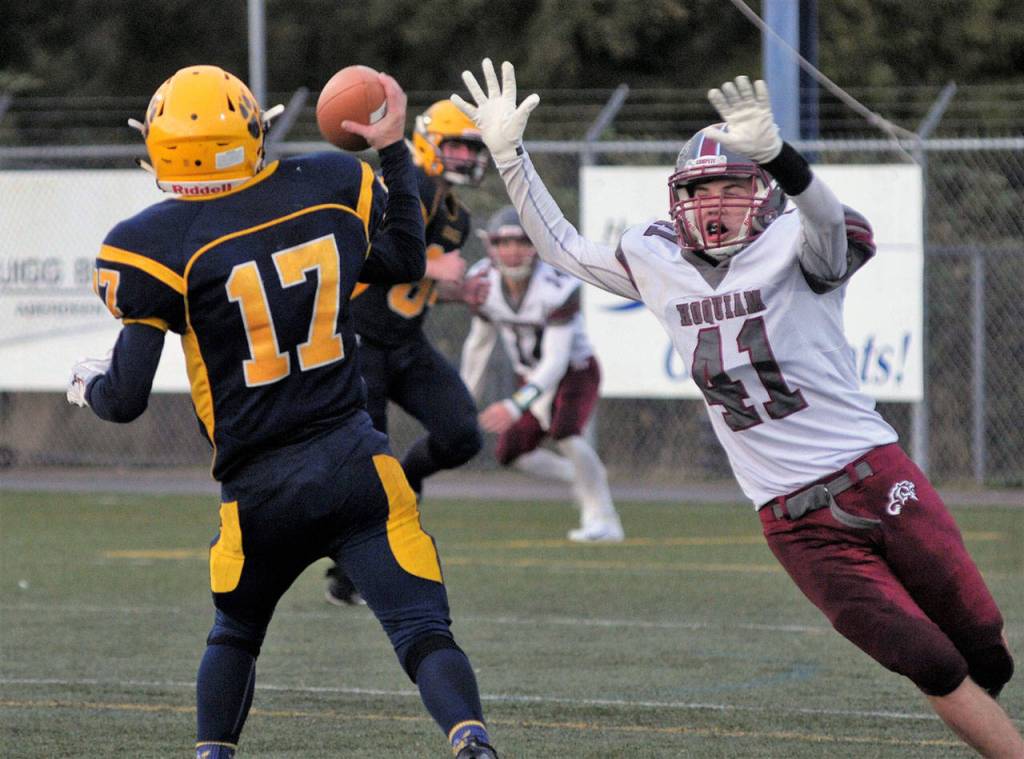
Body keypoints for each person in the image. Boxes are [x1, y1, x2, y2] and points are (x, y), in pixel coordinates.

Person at [451, 59, 1024, 757]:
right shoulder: (656, 257)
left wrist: (783, 158)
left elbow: (825, 218)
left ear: (765, 192)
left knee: (984, 648)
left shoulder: (797, 241)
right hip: (792, 519)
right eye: (699, 189)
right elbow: (564, 248)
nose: (714, 203)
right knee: (927, 661)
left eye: (732, 186)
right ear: (677, 198)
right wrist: (510, 156)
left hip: (875, 474)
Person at [66, 64, 497, 759]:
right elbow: (404, 259)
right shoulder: (328, 184)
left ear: (161, 149)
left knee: (235, 634)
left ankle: (213, 753)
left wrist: (85, 383)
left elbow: (124, 399)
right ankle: (471, 741)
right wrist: (391, 147)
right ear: (251, 130)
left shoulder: (150, 243)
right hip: (357, 464)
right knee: (423, 631)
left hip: (259, 488)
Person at [323, 99, 491, 605]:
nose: (466, 157)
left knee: (462, 434)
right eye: (457, 146)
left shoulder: (457, 216)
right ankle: (351, 574)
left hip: (406, 342)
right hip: (361, 340)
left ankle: (410, 478)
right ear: (428, 141)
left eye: (472, 148)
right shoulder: (406, 188)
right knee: (370, 465)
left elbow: (417, 287)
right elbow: (359, 250)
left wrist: (458, 293)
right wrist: (431, 268)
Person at [459, 205, 623, 542]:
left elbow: (556, 360)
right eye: (503, 243)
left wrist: (515, 405)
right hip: (531, 375)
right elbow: (479, 345)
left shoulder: (555, 284)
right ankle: (584, 475)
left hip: (574, 371)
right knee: (511, 453)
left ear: (535, 244)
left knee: (566, 432)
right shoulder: (483, 283)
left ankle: (604, 519)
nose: (512, 251)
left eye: (521, 242)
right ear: (490, 246)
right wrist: (463, 399)